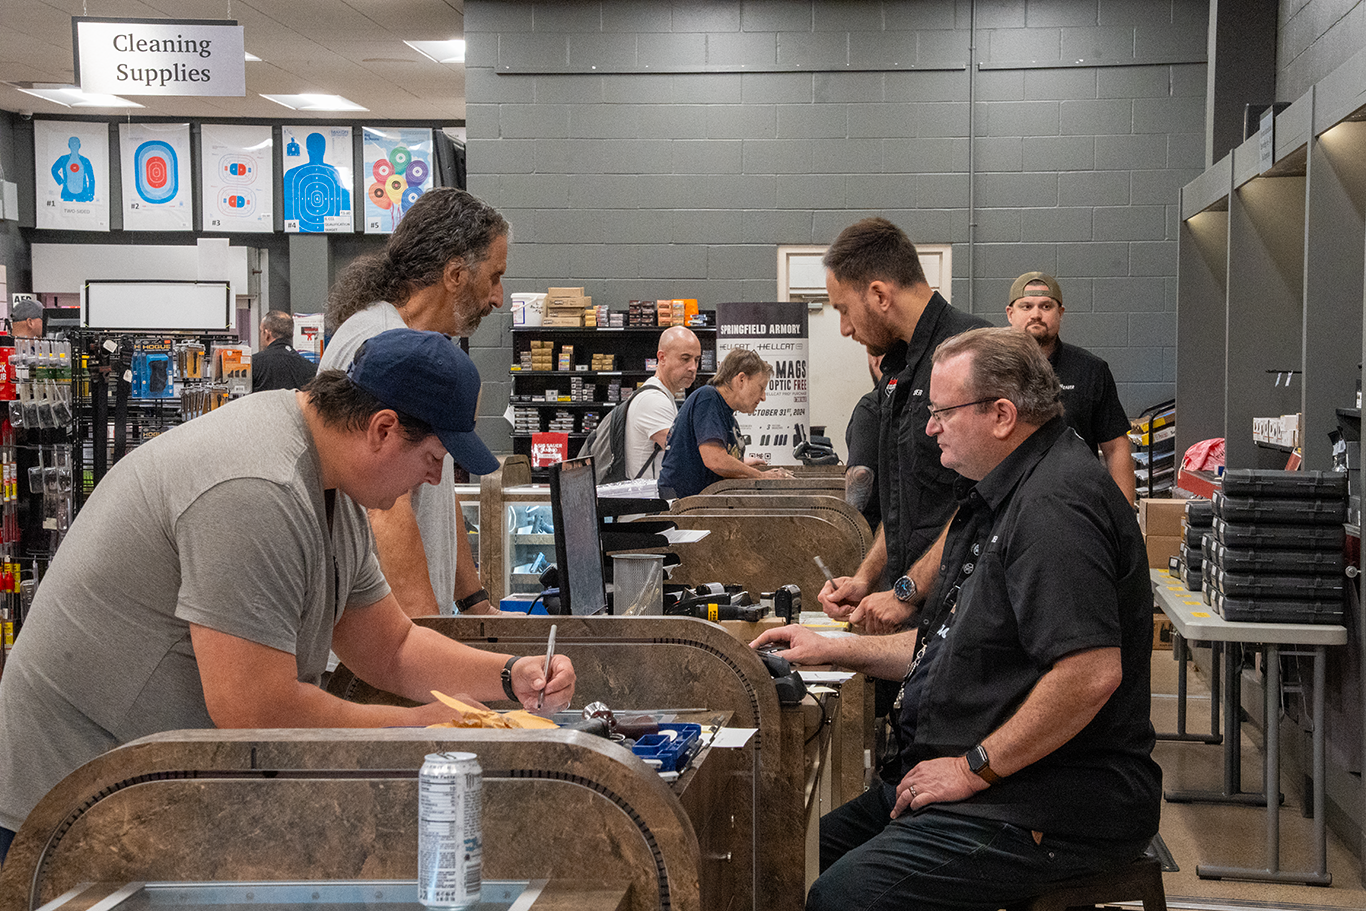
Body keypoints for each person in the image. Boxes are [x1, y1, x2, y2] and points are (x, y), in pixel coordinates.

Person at [0, 328, 578, 864]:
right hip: (66, 804)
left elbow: (391, 647)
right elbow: (256, 710)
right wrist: (420, 731)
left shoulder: (333, 484)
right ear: (382, 429)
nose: (433, 479)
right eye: (433, 459)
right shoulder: (258, 487)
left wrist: (511, 676)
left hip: (149, 795)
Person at [754, 327, 1160, 911]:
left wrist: (973, 769)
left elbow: (1090, 673)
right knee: (782, 856)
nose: (930, 428)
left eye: (943, 412)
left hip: (1052, 798)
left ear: (1002, 415)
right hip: (989, 777)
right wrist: (832, 648)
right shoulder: (1003, 492)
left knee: (844, 897)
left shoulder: (1054, 506)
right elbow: (955, 641)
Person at [321, 187, 508, 618]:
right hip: (383, 636)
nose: (498, 297)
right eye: (494, 276)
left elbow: (435, 485)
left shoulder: (419, 346)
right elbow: (386, 513)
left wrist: (475, 607)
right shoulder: (381, 346)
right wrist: (429, 636)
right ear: (456, 273)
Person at [820, 217, 990, 635]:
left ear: (879, 295)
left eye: (844, 310)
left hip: (966, 611)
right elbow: (904, 503)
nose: (844, 328)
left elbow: (984, 501)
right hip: (911, 610)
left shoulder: (974, 354)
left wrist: (906, 591)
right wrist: (866, 578)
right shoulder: (899, 370)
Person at [1007, 271, 1135, 504]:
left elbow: (1116, 448)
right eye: (1026, 306)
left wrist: (1124, 516)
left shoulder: (1091, 369)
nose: (1036, 315)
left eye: (1046, 306)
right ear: (1010, 314)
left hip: (1075, 504)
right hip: (1009, 504)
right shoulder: (990, 370)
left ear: (1060, 313)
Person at [656, 348, 793, 498]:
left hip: (699, 502)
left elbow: (708, 460)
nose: (763, 397)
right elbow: (715, 460)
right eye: (761, 388)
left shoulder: (726, 414)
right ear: (741, 379)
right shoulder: (708, 399)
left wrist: (742, 464)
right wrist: (761, 476)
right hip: (684, 503)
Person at [623, 326, 702, 480]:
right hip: (650, 494)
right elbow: (686, 454)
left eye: (696, 360)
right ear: (662, 357)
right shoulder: (653, 400)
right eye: (685, 359)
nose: (693, 367)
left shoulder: (663, 395)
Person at [843, 353, 882, 531]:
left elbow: (860, 473)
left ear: (876, 359)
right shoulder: (918, 400)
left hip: (872, 527)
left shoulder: (872, 404)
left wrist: (850, 527)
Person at [252, 309, 317, 392]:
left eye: (261, 331)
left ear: (267, 333)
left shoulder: (254, 363)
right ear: (292, 334)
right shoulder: (310, 367)